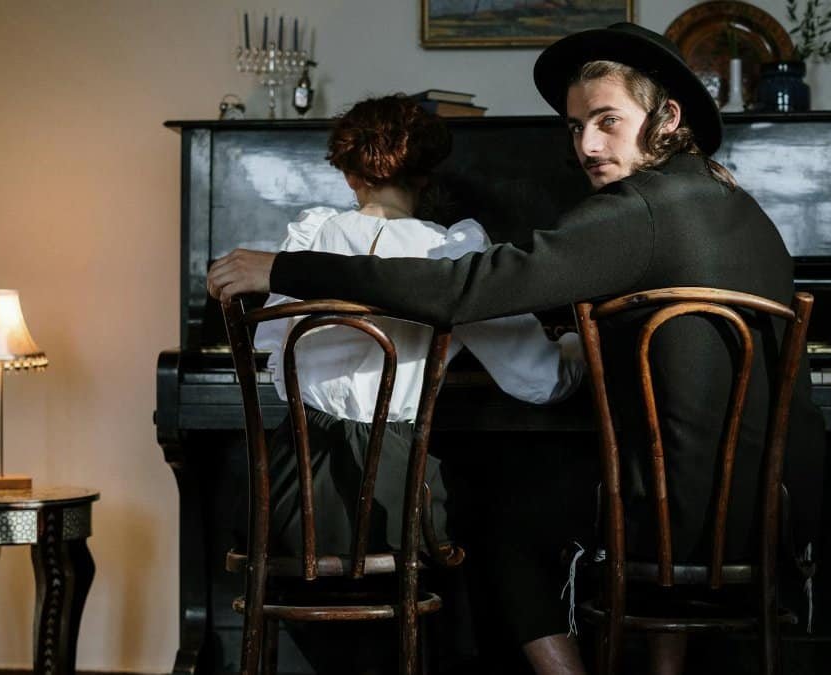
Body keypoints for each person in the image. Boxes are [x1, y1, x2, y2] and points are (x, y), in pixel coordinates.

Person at [210, 23, 827, 675]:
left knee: (493, 507)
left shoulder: (634, 210)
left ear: (667, 116)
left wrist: (286, 268)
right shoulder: (737, 203)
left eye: (607, 121)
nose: (586, 144)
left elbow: (462, 289)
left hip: (680, 517)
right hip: (769, 506)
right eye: (574, 126)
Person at [250, 94, 585, 673]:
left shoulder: (306, 243)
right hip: (393, 500)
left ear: (349, 172)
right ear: (428, 176)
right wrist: (578, 341)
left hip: (287, 496)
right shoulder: (450, 253)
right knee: (483, 512)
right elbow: (538, 382)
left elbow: (274, 360)